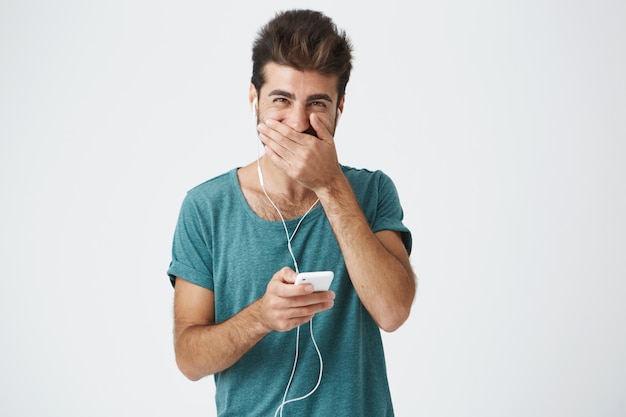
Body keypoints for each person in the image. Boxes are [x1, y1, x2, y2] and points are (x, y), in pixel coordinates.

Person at [167, 9, 417, 416]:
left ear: (340, 107)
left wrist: (331, 185)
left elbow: (392, 312)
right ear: (254, 100)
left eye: (317, 103)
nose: (299, 123)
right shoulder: (205, 207)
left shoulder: (371, 192)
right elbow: (189, 358)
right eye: (281, 101)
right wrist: (262, 317)